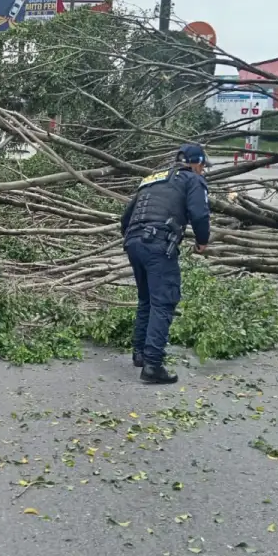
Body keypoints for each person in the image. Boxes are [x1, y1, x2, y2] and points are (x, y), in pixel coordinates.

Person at [120, 143, 212, 384]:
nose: (202, 171)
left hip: (134, 241)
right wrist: (203, 241)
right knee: (164, 302)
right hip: (158, 244)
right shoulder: (193, 180)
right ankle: (152, 365)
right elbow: (200, 214)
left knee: (146, 300)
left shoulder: (152, 179)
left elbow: (125, 217)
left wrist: (135, 240)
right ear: (196, 163)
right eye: (202, 166)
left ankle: (140, 353)